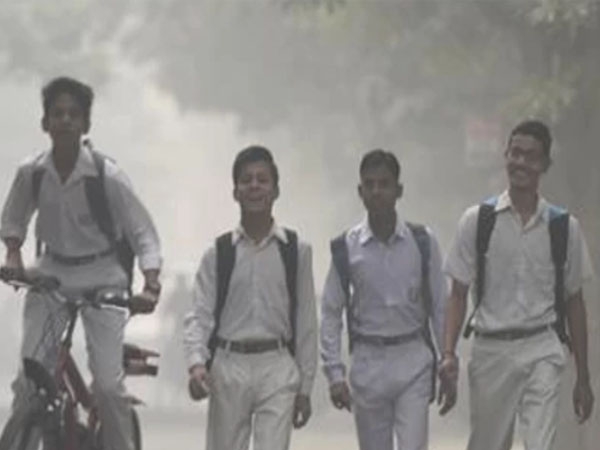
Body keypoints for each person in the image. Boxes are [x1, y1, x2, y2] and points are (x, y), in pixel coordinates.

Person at [0, 76, 162, 450]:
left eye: (74, 114)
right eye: (57, 114)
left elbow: (143, 233)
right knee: (28, 383)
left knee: (107, 387)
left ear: (86, 123)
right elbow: (13, 219)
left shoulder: (107, 176)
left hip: (103, 279)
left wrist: (150, 285)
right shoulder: (32, 172)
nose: (66, 120)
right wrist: (13, 256)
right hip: (51, 276)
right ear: (45, 123)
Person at [438, 120, 595, 450]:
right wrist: (449, 354)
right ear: (506, 155)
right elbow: (458, 293)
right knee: (488, 444)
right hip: (491, 349)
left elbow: (574, 302)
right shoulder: (478, 221)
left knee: (540, 443)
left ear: (545, 164)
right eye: (516, 153)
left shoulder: (563, 227)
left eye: (531, 156)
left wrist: (583, 376)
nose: (521, 162)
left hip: (543, 348)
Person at [183, 145, 318, 450]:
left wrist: (306, 387)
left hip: (277, 365)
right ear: (235, 192)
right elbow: (200, 315)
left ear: (276, 190)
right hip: (229, 365)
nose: (254, 186)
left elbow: (307, 321)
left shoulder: (296, 251)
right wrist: (196, 363)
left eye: (262, 179)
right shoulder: (218, 254)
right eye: (246, 180)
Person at [320, 149, 446, 450]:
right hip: (368, 363)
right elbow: (331, 312)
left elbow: (440, 306)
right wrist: (334, 373)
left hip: (413, 359)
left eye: (384, 184)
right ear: (360, 191)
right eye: (370, 184)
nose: (377, 191)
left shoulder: (422, 242)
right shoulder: (347, 248)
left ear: (398, 190)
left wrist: (447, 360)